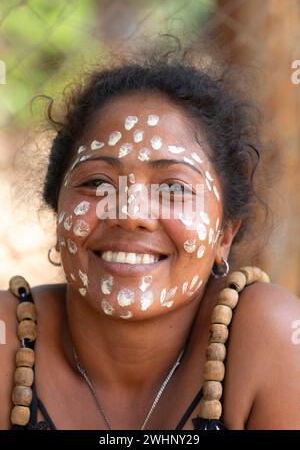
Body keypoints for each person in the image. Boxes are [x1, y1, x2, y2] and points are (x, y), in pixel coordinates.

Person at [1, 46, 300, 431]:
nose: (129, 214)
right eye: (96, 182)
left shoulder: (274, 340)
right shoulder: (11, 340)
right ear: (59, 213)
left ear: (225, 234)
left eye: (173, 187)